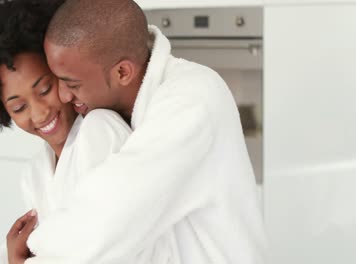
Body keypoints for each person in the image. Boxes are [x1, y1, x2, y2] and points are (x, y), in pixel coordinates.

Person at [23, 0, 268, 263]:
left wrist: (29, 252)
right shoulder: (106, 111)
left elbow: (106, 222)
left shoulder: (191, 99)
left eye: (72, 83)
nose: (63, 94)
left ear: (122, 72)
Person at [0, 0, 132, 264]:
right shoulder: (35, 173)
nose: (39, 114)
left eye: (45, 90)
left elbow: (104, 249)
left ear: (62, 72)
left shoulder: (100, 130)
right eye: (19, 106)